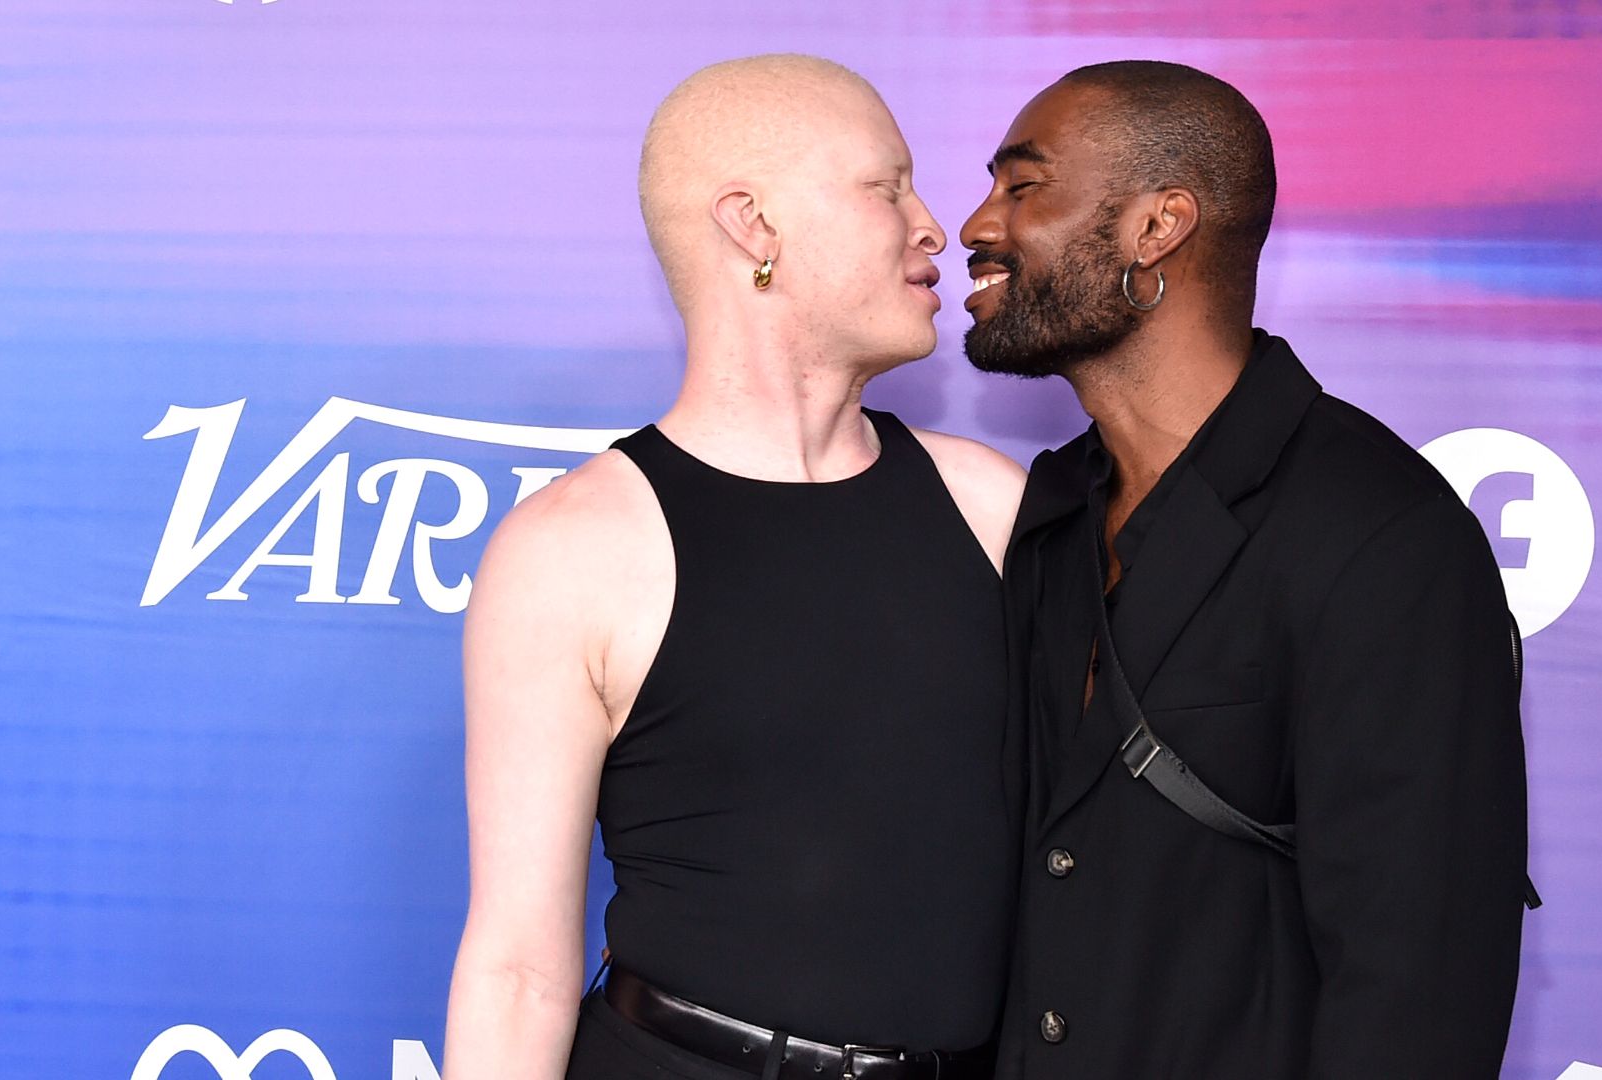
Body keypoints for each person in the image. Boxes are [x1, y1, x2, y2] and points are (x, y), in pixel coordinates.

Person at [442, 54, 1026, 1080]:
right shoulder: (572, 550)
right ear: (753, 226)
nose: (934, 227)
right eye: (887, 188)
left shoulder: (992, 506)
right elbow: (519, 968)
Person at [961, 60, 1532, 1078]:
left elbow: (1422, 985)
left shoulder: (1381, 533)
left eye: (1023, 185)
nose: (977, 225)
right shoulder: (1054, 507)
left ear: (1158, 226)